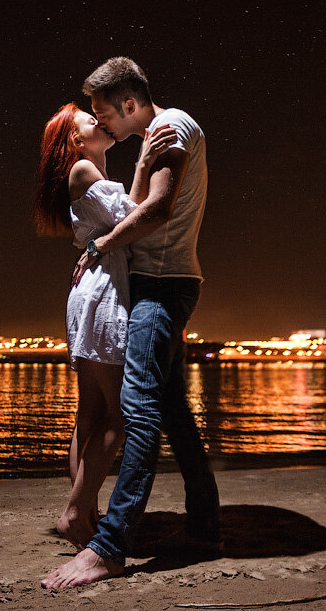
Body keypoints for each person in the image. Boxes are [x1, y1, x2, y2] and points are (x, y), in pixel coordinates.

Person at [42, 57, 221, 589]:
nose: (101, 122)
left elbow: (155, 209)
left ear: (127, 104)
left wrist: (99, 245)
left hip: (161, 285)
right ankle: (205, 525)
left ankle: (109, 545)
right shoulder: (149, 139)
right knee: (171, 411)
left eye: (102, 113)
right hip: (152, 284)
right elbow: (139, 206)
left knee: (136, 412)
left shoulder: (170, 127)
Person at [34, 102, 177, 549]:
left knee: (91, 414)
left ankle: (85, 511)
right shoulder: (82, 170)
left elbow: (123, 213)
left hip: (94, 290)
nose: (100, 121)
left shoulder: (90, 170)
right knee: (121, 416)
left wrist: (141, 166)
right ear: (76, 139)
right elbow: (134, 218)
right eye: (89, 120)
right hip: (104, 294)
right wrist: (146, 163)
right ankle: (77, 511)